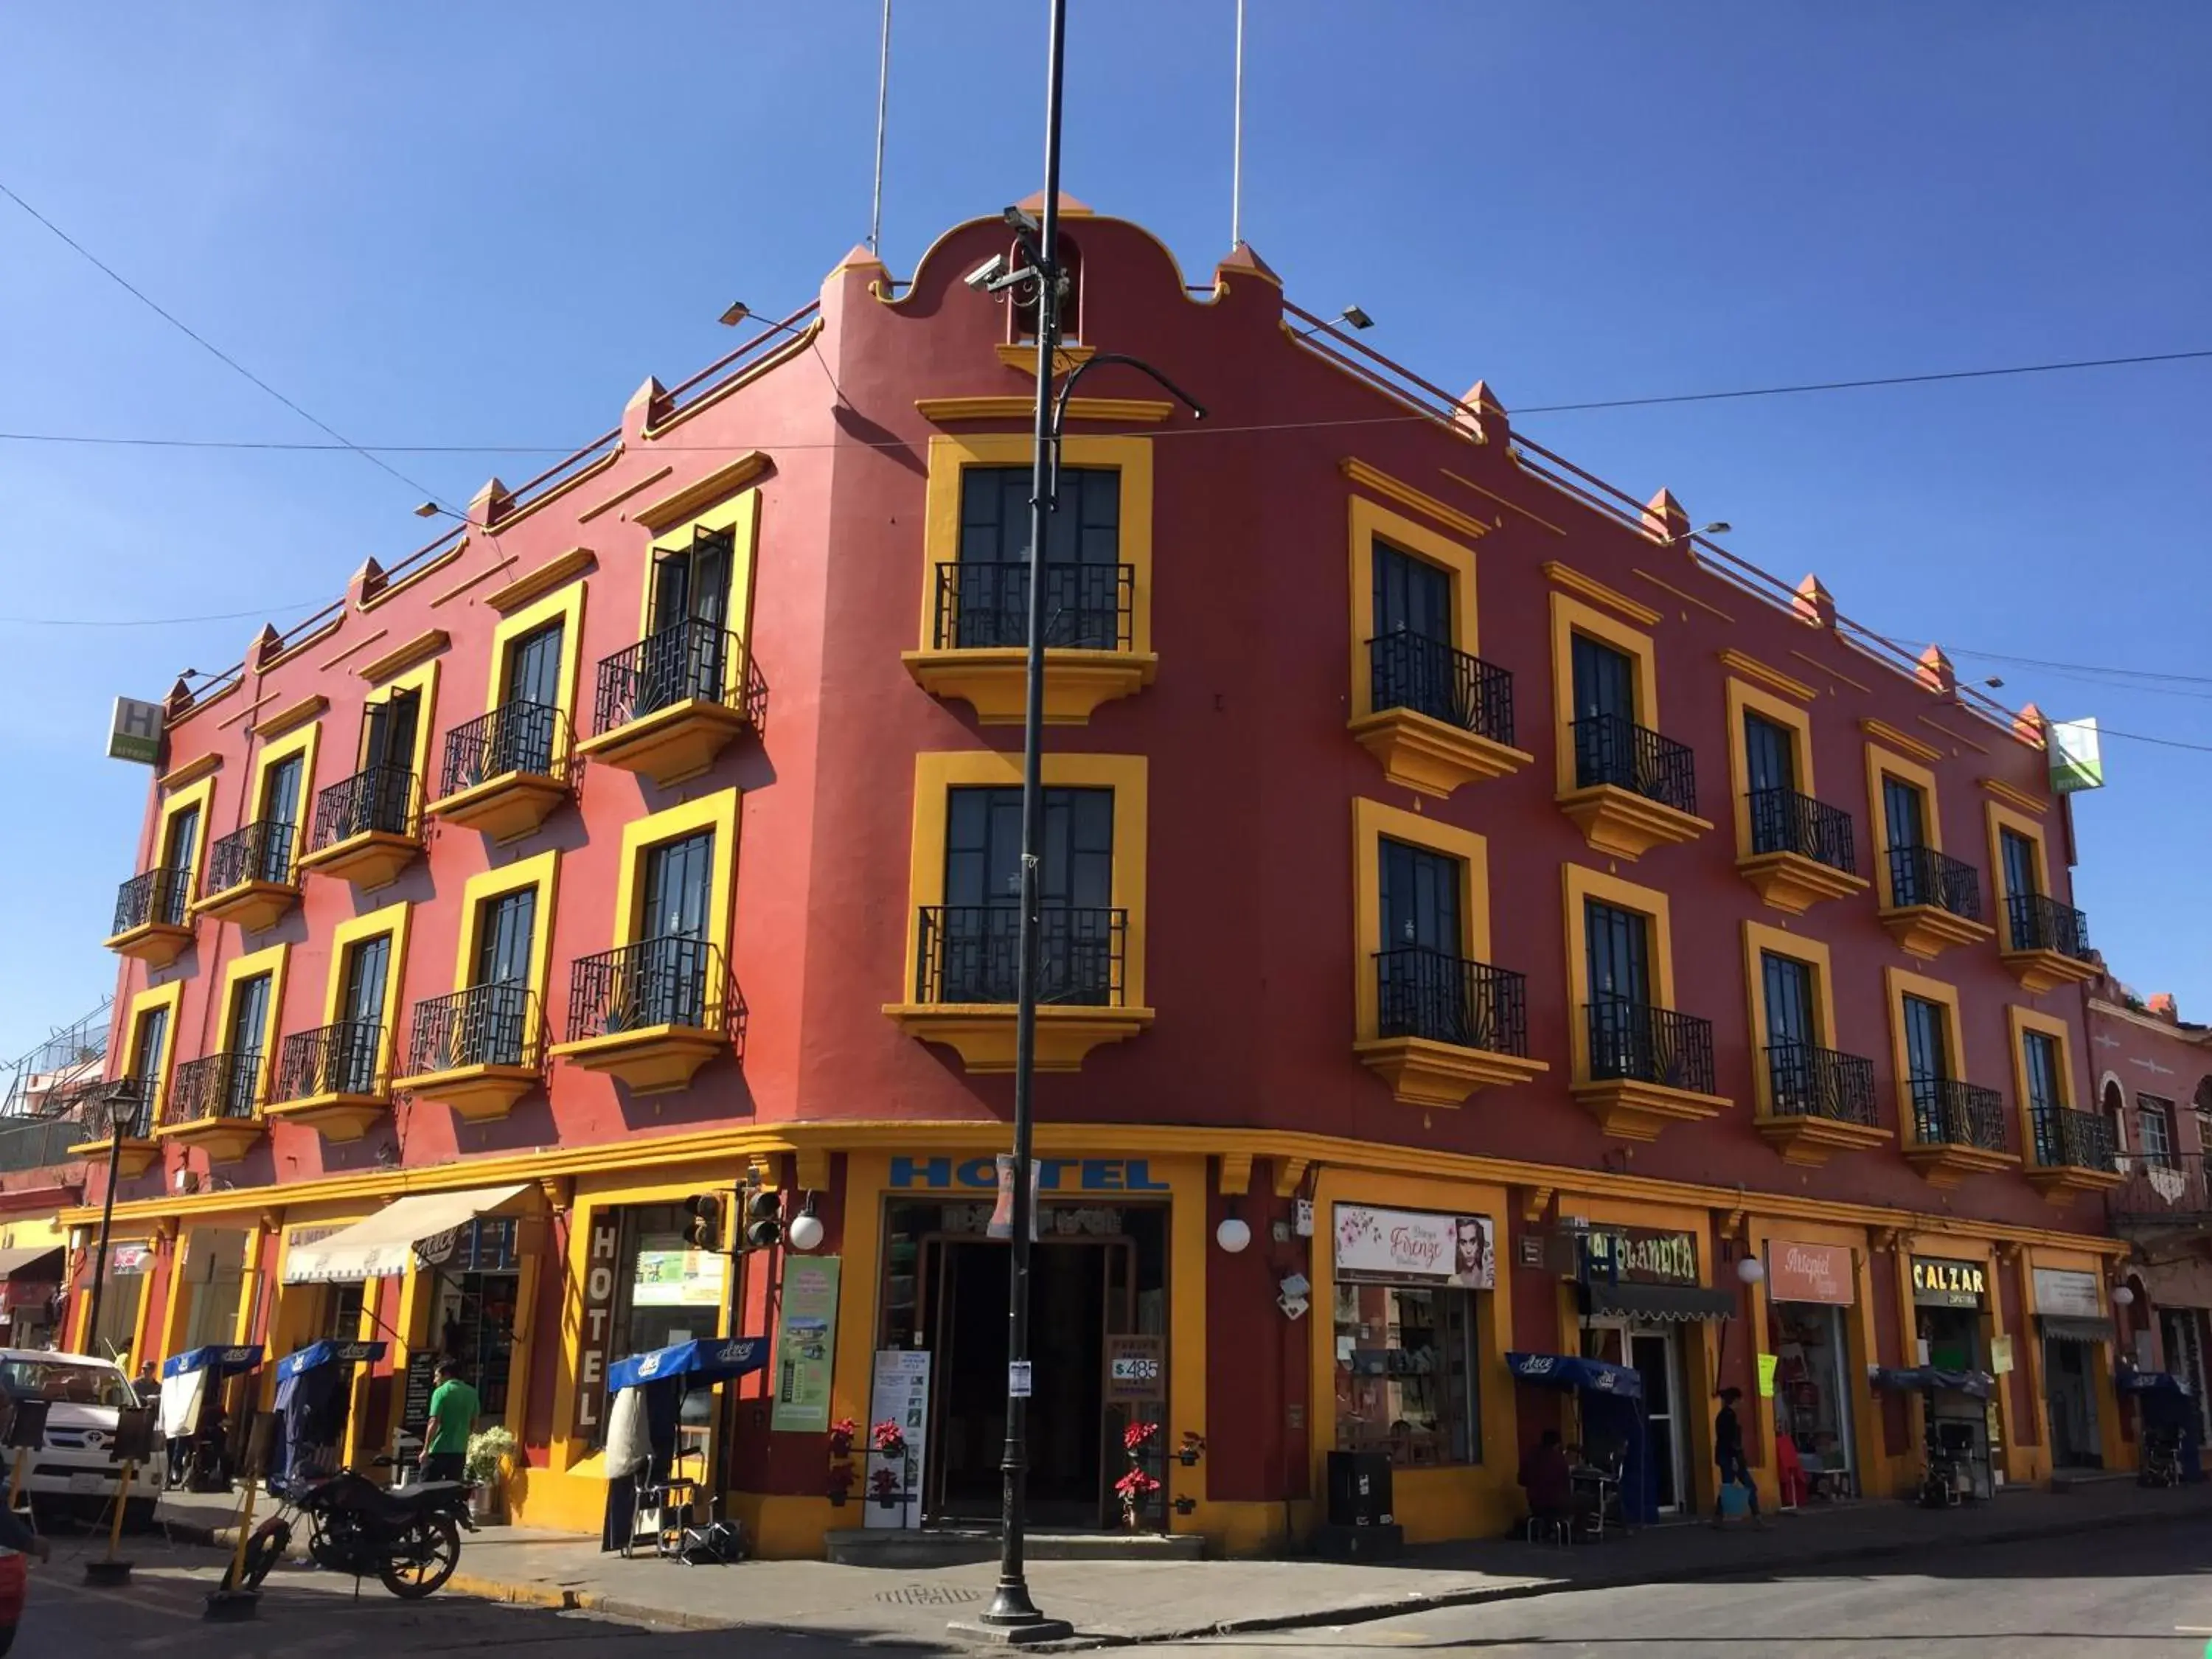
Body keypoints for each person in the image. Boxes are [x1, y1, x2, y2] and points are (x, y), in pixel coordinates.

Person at [420, 1358, 480, 1484]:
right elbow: (474, 1422)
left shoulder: (441, 1392)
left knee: (425, 1490)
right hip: (459, 1451)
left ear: (446, 1374)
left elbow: (434, 1421)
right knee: (451, 1490)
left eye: (437, 1376)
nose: (435, 1381)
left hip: (438, 1450)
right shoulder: (472, 1393)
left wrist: (425, 1449)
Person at [1712, 1386, 1761, 1525]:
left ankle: (1718, 1518)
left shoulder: (1722, 1415)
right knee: (1749, 1487)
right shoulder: (1729, 1416)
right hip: (1732, 1457)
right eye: (1740, 1400)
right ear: (1735, 1400)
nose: (1742, 1403)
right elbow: (1729, 1439)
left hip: (1726, 1456)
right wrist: (1734, 1458)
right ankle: (1757, 1518)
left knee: (1728, 1487)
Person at [1517, 1428, 1574, 1534]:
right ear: (1557, 1445)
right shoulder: (1559, 1460)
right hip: (1557, 1505)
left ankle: (1551, 1529)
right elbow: (1566, 1484)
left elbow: (1521, 1480)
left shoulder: (1531, 1457)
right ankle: (1576, 1533)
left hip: (1535, 1505)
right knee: (1585, 1500)